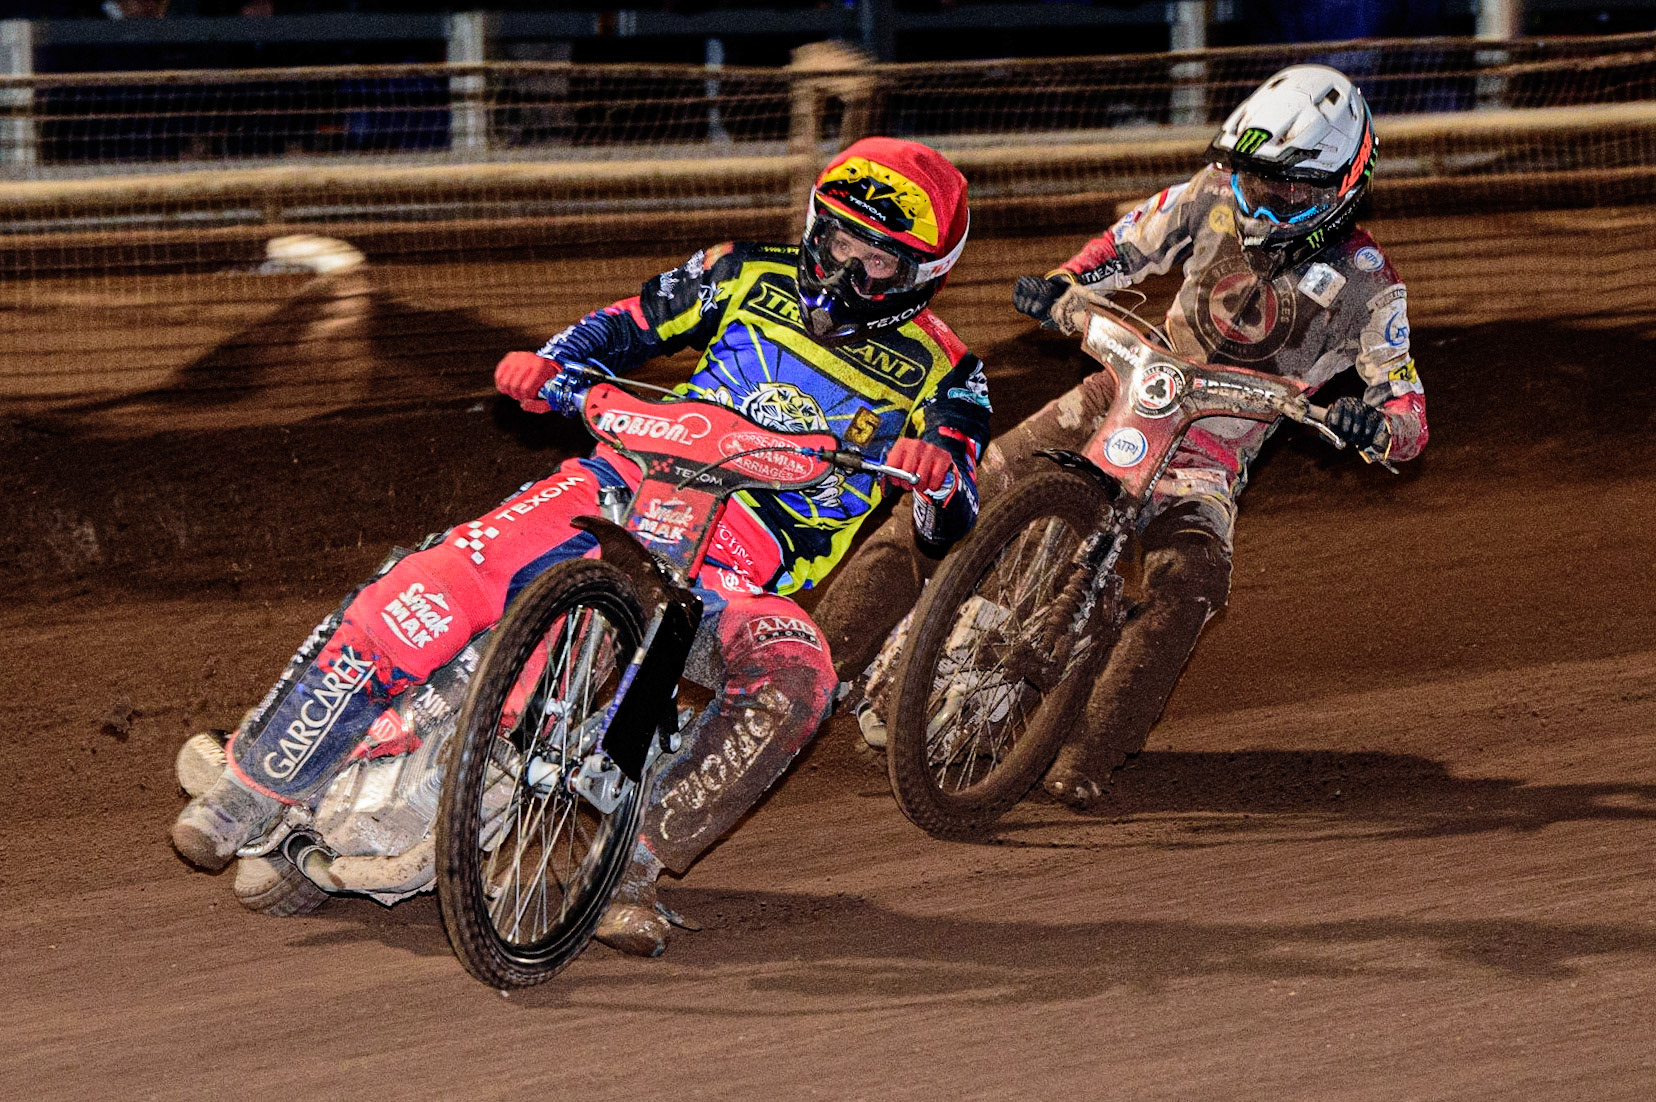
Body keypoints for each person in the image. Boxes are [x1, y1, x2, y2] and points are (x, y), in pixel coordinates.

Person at [172, 137, 991, 956]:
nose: (846, 271)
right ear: (816, 226)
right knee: (442, 578)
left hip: (732, 572)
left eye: (876, 261)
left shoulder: (950, 372)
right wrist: (552, 365)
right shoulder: (742, 270)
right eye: (839, 241)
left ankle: (626, 870)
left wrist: (936, 479)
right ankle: (253, 785)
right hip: (620, 482)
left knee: (800, 675)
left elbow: (947, 525)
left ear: (922, 274)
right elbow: (626, 326)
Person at [817, 64, 1427, 806]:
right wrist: (1065, 281)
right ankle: (822, 662)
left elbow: (1408, 412)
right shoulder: (1210, 195)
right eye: (1255, 179)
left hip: (1208, 454)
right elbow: (1128, 244)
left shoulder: (1370, 284)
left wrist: (1375, 425)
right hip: (1123, 389)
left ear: (1344, 186)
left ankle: (1088, 753)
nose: (1266, 199)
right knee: (958, 490)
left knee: (1189, 582)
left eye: (1290, 188)